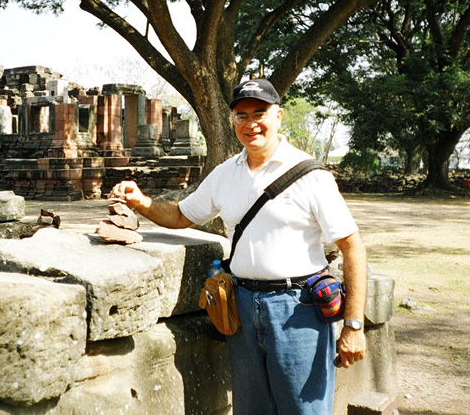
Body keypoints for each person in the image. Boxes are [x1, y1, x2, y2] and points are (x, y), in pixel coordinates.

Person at [110, 79, 367, 415]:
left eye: (260, 113)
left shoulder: (309, 175)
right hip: (241, 306)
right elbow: (180, 215)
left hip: (299, 309)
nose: (251, 124)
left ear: (279, 116)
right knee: (251, 409)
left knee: (305, 409)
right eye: (241, 116)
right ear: (233, 121)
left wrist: (353, 326)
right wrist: (141, 201)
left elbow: (353, 247)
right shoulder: (225, 173)